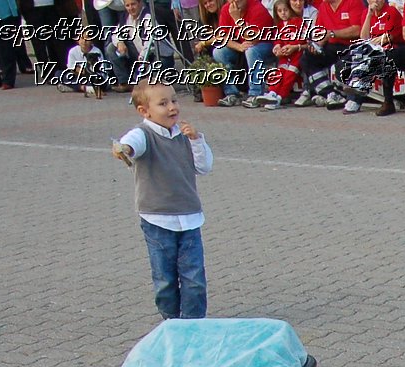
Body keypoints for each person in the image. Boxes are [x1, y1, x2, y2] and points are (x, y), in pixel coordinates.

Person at [111, 80, 213, 320]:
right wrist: (123, 148)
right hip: (157, 220)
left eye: (174, 101)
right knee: (165, 279)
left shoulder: (186, 135)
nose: (172, 108)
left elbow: (204, 167)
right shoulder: (143, 134)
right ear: (144, 111)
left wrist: (197, 140)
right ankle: (171, 321)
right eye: (163, 103)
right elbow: (131, 143)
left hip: (189, 218)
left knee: (194, 278)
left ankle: (193, 324)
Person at [339, 0, 402, 113]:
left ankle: (356, 96)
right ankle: (355, 92)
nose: (376, 1)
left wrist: (372, 42)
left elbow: (388, 37)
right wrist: (369, 15)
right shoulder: (366, 13)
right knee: (348, 57)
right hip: (373, 47)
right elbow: (364, 37)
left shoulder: (391, 11)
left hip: (392, 48)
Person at [300, 0, 363, 107]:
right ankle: (331, 93)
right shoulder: (324, 6)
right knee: (307, 58)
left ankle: (351, 97)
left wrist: (332, 34)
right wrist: (316, 45)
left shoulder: (353, 2)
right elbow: (320, 32)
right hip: (331, 46)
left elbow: (357, 30)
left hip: (352, 46)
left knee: (342, 65)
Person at [214, 0, 275, 105]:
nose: (235, 1)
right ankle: (232, 94)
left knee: (252, 51)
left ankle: (255, 94)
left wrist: (237, 20)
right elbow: (222, 37)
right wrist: (238, 46)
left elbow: (253, 39)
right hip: (243, 46)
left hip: (266, 45)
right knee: (218, 52)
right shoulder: (226, 9)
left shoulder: (257, 8)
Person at [263, 0, 310, 106]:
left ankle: (279, 97)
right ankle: (272, 93)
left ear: (290, 10)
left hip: (296, 55)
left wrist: (293, 46)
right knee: (279, 73)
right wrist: (277, 47)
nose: (283, 13)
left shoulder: (299, 22)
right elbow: (277, 40)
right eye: (280, 11)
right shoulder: (279, 26)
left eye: (285, 10)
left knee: (289, 76)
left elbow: (303, 38)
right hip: (284, 56)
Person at [65, 23, 109, 95]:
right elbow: (71, 67)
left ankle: (78, 87)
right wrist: (83, 71)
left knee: (98, 80)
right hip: (81, 76)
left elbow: (99, 71)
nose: (84, 41)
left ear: (91, 40)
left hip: (95, 77)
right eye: (82, 38)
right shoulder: (73, 51)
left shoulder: (96, 52)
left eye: (87, 38)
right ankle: (85, 88)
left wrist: (84, 71)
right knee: (59, 74)